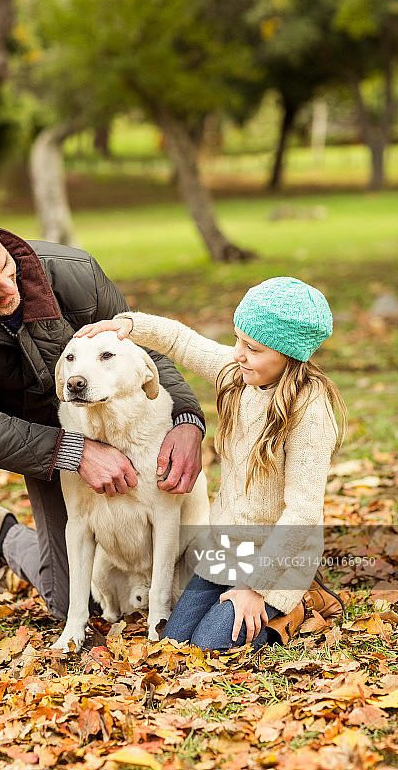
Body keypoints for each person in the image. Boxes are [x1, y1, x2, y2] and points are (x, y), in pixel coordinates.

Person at [0, 200, 205, 669]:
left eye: (5, 267)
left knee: (68, 601)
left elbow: (145, 353)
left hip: (61, 417)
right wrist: (70, 450)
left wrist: (188, 419)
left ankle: (2, 537)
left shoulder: (74, 274)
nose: (7, 287)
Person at [76, 276, 347, 652]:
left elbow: (302, 512)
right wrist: (130, 326)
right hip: (226, 548)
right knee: (175, 641)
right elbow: (183, 343)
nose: (237, 353)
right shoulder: (240, 375)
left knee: (211, 646)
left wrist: (255, 589)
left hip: (276, 560)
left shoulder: (310, 414)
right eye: (238, 339)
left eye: (251, 348)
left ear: (288, 355)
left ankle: (298, 604)